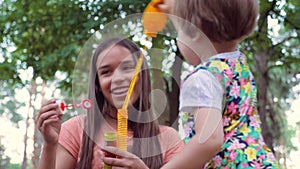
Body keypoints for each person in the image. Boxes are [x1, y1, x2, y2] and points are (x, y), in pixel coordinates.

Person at [101, 0, 279, 168]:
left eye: (179, 31)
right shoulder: (238, 66)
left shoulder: (202, 79)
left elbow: (209, 140)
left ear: (193, 33)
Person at [36, 37, 184, 169]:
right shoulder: (76, 130)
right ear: (98, 85)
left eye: (127, 68)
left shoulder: (168, 139)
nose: (118, 78)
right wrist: (50, 145)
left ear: (143, 76)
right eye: (106, 72)